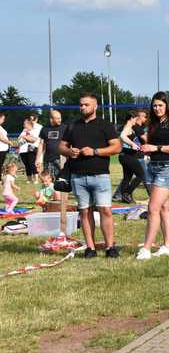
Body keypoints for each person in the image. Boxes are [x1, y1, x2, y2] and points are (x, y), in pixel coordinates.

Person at [59, 93, 121, 258]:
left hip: (100, 175)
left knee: (105, 211)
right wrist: (69, 151)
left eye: (86, 104)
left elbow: (116, 147)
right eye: (81, 105)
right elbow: (62, 147)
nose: (82, 107)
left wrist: (94, 151)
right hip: (78, 176)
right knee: (84, 212)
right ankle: (90, 248)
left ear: (95, 106)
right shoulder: (72, 126)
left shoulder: (105, 125)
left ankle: (110, 248)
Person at [137, 92, 169, 260]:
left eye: (160, 105)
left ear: (167, 106)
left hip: (167, 168)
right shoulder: (153, 124)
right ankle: (168, 245)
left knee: (153, 208)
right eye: (155, 105)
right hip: (152, 167)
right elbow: (150, 142)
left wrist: (156, 148)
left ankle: (146, 249)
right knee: (164, 208)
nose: (157, 108)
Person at [116, 110, 149, 203]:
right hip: (128, 156)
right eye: (135, 119)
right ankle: (127, 193)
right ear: (131, 119)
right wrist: (132, 144)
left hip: (124, 156)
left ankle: (124, 198)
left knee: (127, 177)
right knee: (141, 174)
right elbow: (122, 136)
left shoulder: (129, 127)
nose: (136, 121)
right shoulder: (128, 127)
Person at [36, 110, 66, 179]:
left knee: (60, 180)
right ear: (51, 119)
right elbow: (41, 144)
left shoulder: (65, 128)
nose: (60, 120)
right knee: (48, 180)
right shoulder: (44, 129)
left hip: (61, 159)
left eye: (60, 118)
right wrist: (37, 159)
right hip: (48, 159)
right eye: (57, 118)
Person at [0, 113, 9, 181]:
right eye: (3, 119)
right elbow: (1, 138)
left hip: (3, 149)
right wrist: (10, 142)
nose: (3, 120)